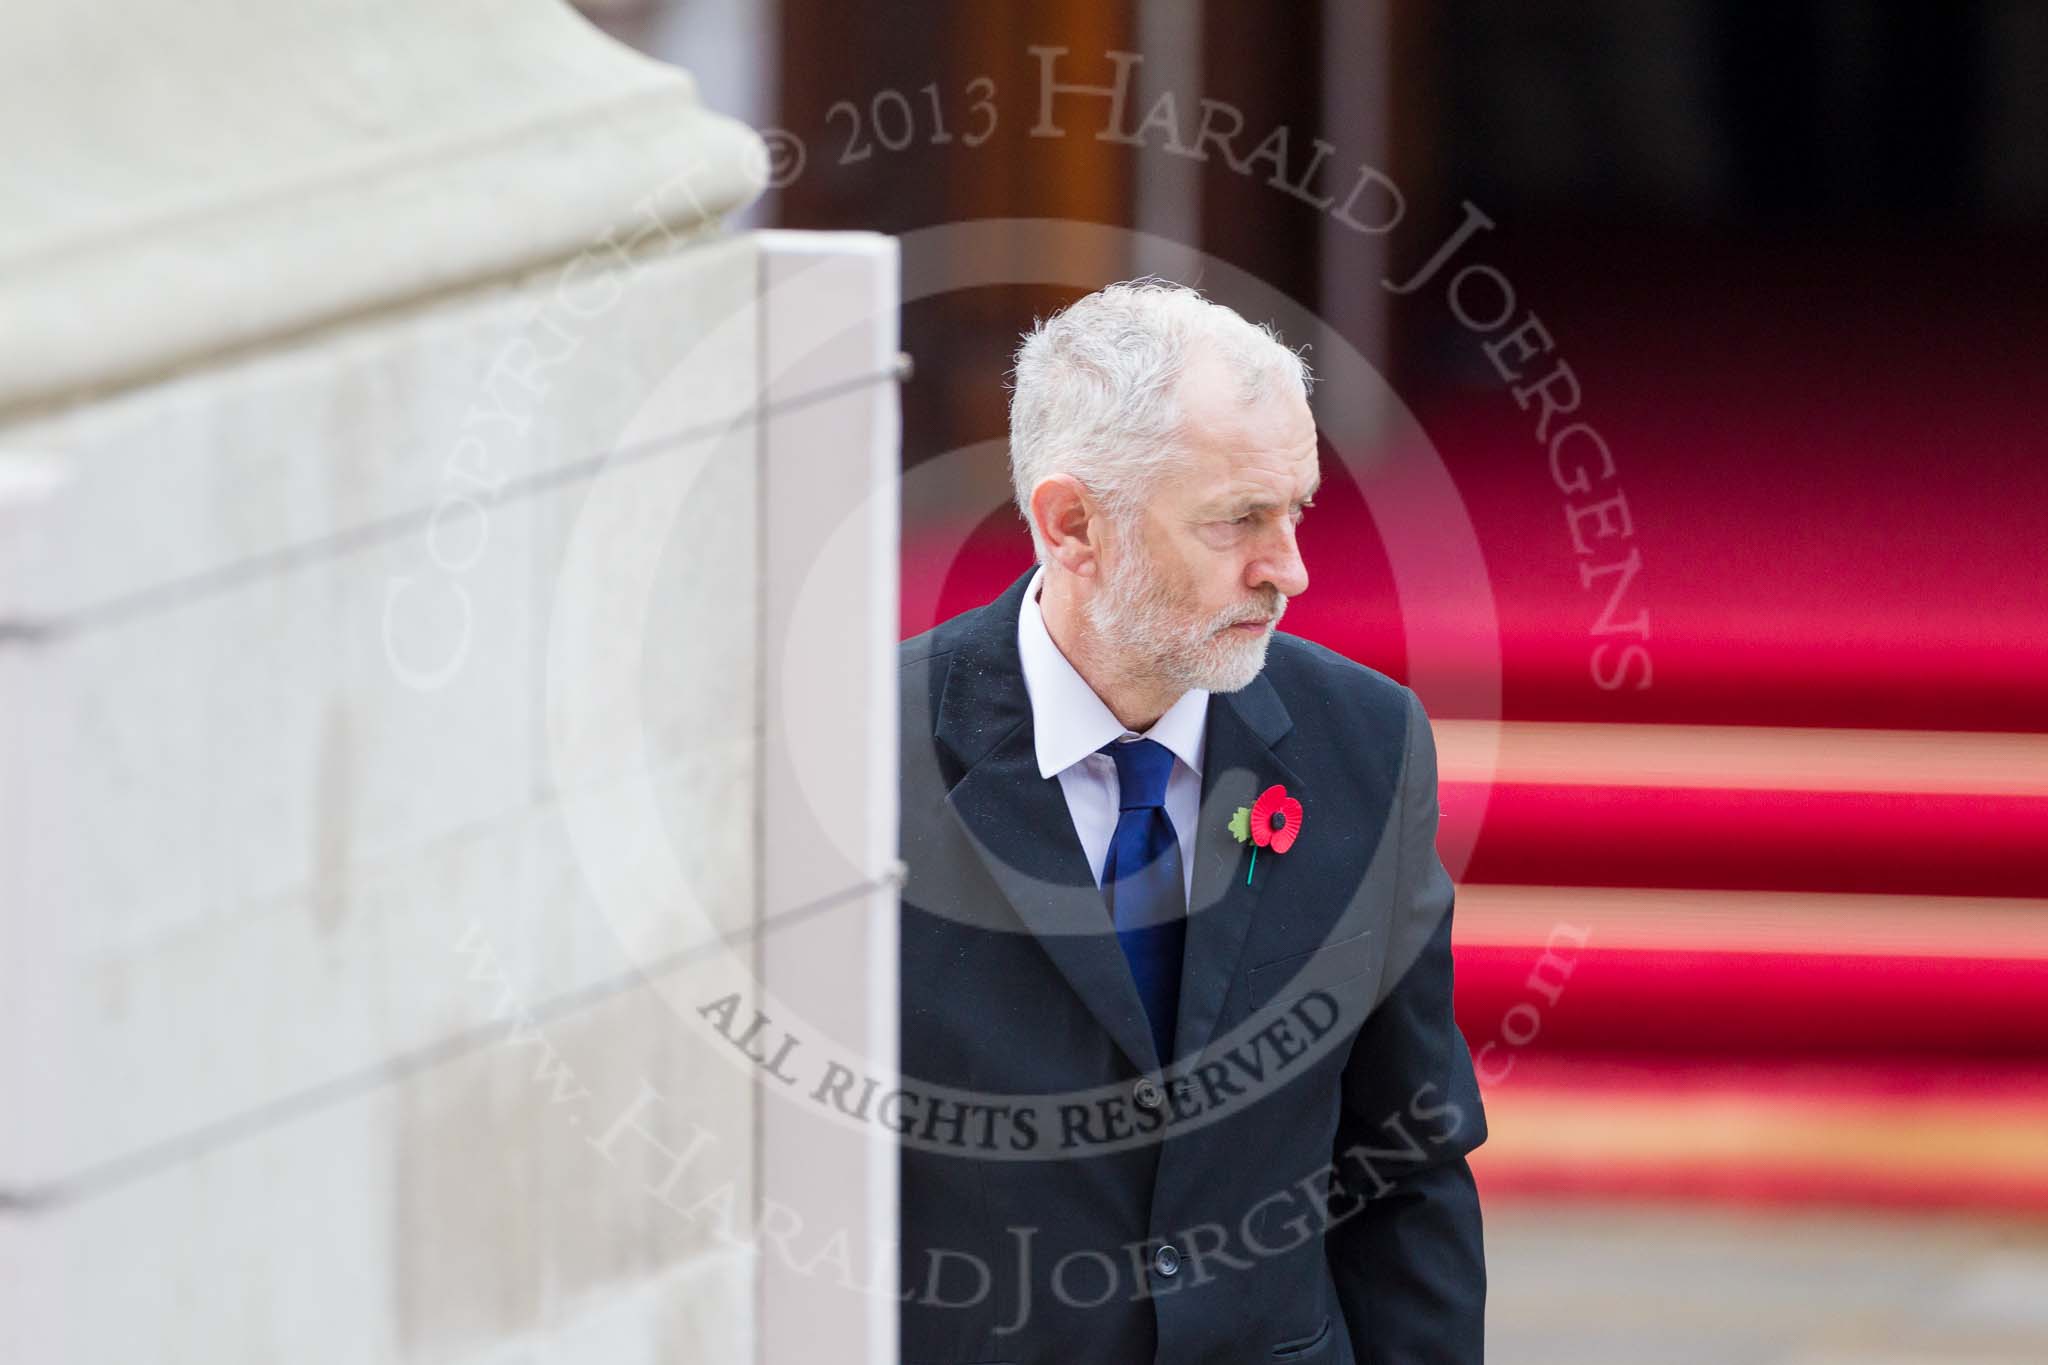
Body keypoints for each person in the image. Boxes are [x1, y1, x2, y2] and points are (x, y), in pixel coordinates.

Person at [896, 280, 1485, 1363]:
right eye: (1237, 522)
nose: (1290, 570)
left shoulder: (1363, 741)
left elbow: (1404, 1163)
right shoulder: (862, 760)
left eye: (1294, 510)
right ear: (1071, 525)